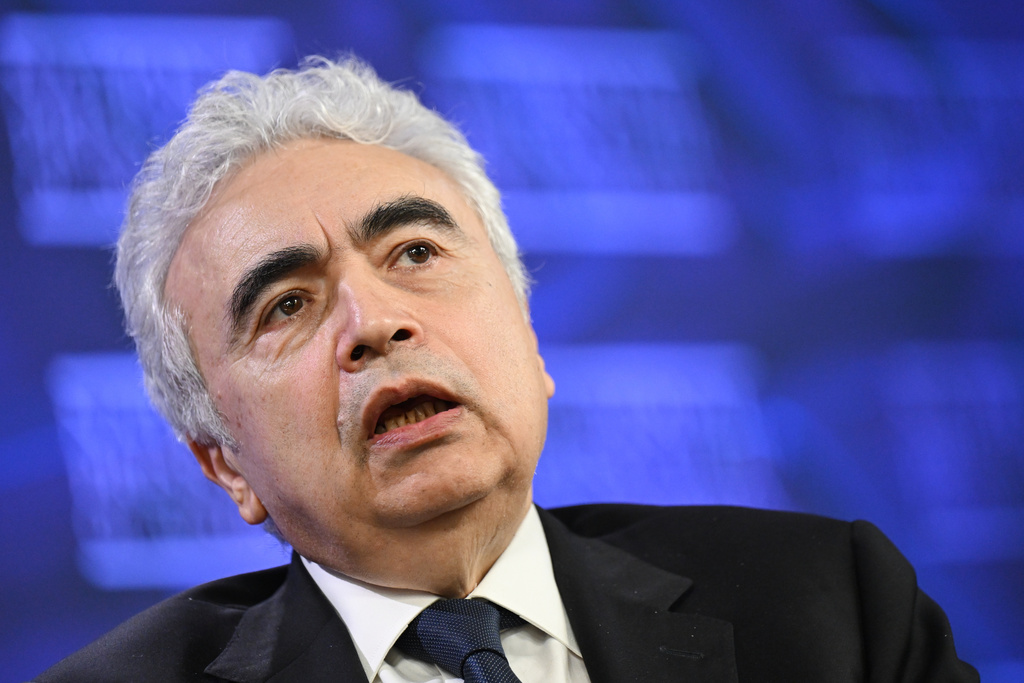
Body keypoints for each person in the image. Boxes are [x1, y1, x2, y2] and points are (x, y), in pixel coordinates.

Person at [37, 56, 977, 683]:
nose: (375, 322)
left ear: (529, 335)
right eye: (286, 305)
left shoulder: (830, 610)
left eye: (414, 252)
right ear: (225, 463)